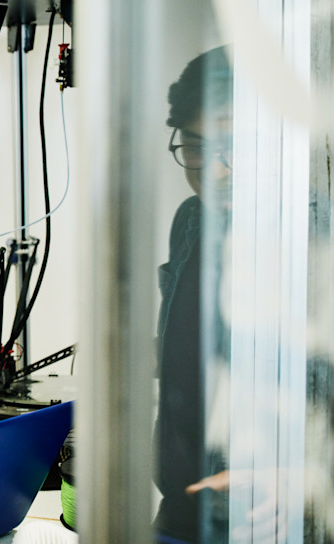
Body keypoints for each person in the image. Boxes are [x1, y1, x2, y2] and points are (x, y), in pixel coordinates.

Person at [154, 45, 232, 542]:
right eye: (197, 146)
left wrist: (303, 479)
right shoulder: (191, 219)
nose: (215, 171)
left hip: (263, 517)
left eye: (235, 146)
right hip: (180, 512)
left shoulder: (314, 231)